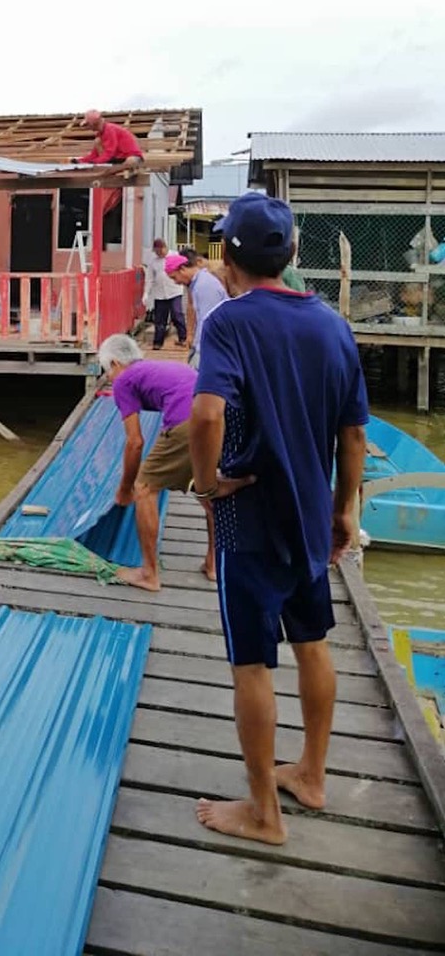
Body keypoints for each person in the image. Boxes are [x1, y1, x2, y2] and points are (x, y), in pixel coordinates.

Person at [189, 192, 368, 846]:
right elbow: (354, 435)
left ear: (228, 258)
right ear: (290, 252)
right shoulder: (333, 325)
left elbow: (205, 413)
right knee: (311, 641)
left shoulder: (228, 323)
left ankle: (264, 813)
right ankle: (312, 774)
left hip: (248, 519)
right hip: (311, 516)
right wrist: (342, 509)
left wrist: (208, 483)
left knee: (251, 664)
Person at [99, 333, 215, 587]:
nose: (108, 378)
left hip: (185, 420)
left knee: (144, 488)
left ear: (116, 363)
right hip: (215, 416)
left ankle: (149, 574)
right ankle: (213, 564)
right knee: (206, 490)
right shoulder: (152, 369)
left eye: (107, 370)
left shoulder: (123, 380)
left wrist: (125, 489)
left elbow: (135, 442)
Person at [166, 249, 228, 368]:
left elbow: (207, 321)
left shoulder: (204, 285)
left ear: (182, 269)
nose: (176, 282)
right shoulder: (198, 283)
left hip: (212, 348)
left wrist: (199, 351)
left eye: (174, 277)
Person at [143, 238, 187, 350]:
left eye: (159, 251)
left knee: (177, 315)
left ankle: (183, 338)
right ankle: (158, 343)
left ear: (165, 248)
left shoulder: (175, 256)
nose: (158, 253)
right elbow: (149, 278)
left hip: (174, 291)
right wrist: (146, 293)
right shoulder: (153, 262)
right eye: (156, 251)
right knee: (160, 320)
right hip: (159, 294)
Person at [70, 111, 144, 167]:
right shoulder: (100, 134)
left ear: (94, 124)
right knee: (97, 141)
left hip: (132, 158)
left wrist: (93, 163)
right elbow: (94, 154)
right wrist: (80, 161)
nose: (88, 127)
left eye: (88, 124)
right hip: (119, 158)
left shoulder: (109, 130)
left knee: (130, 161)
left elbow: (109, 153)